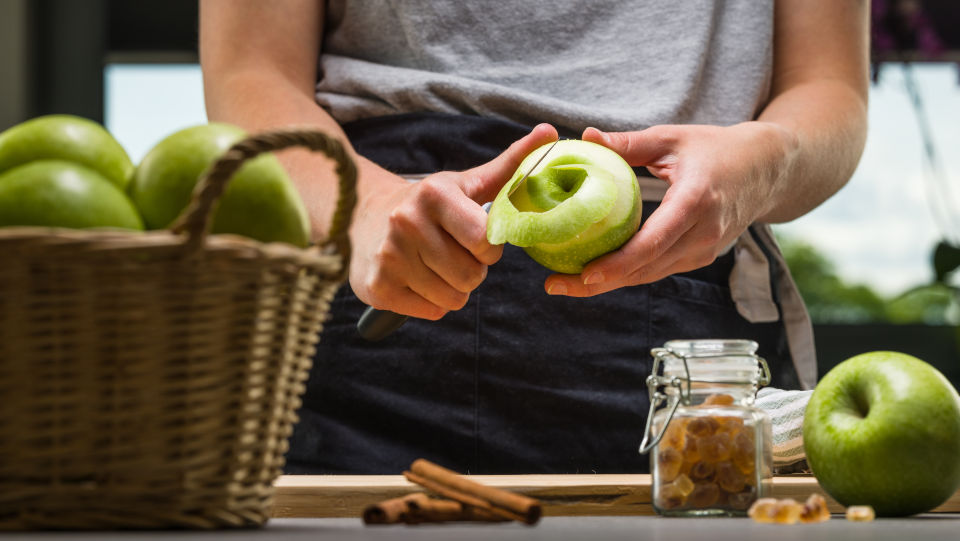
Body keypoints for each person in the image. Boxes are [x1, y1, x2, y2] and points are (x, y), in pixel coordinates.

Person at [199, 0, 869, 474]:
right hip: (377, 275)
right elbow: (249, 72)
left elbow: (830, 87)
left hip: (682, 306)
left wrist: (767, 163)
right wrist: (365, 207)